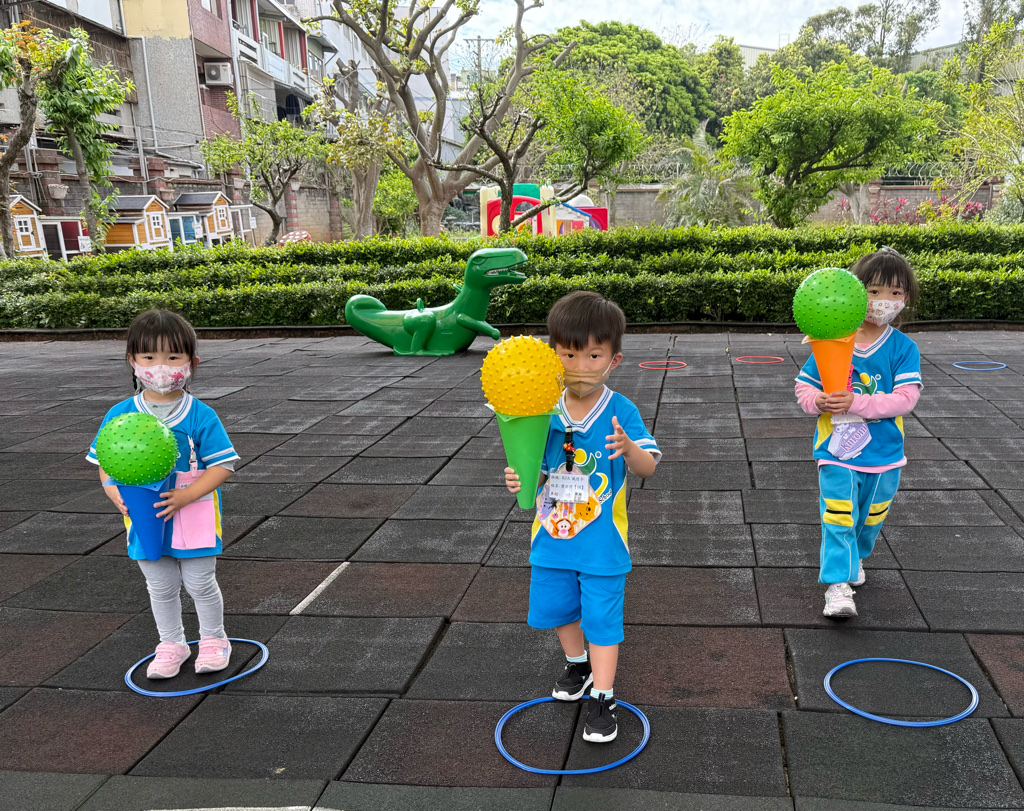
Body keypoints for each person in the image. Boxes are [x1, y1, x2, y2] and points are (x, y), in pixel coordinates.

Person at [504, 291, 660, 743]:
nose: (581, 366)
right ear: (552, 355)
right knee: (559, 610)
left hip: (602, 542)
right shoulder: (540, 409)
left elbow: (649, 466)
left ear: (614, 359)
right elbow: (535, 472)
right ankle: (578, 666)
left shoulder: (620, 411)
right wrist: (518, 479)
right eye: (569, 354)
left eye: (594, 355)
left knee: (602, 618)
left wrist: (628, 449)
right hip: (552, 536)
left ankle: (604, 694)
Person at [87, 309, 239, 678]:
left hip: (193, 511)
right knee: (160, 584)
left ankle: (213, 638)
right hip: (144, 512)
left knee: (199, 581)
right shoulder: (121, 414)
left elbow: (223, 465)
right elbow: (106, 459)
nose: (160, 367)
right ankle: (172, 643)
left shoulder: (200, 415)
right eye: (149, 357)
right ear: (132, 361)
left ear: (192, 363)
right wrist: (110, 489)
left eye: (173, 357)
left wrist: (188, 495)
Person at [794, 247, 922, 618]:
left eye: (895, 293)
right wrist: (817, 401)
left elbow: (906, 398)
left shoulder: (902, 348)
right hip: (836, 451)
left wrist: (856, 402)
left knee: (870, 518)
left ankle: (856, 557)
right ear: (854, 293)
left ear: (905, 298)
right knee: (839, 515)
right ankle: (837, 585)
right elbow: (804, 387)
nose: (884, 300)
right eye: (874, 291)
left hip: (884, 454)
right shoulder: (833, 338)